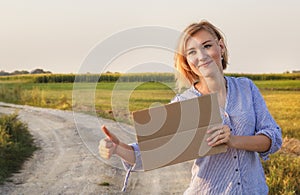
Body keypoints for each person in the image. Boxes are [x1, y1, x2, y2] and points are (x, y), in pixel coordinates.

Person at [98, 20, 282, 194]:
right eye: (191, 52)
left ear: (221, 47)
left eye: (207, 46)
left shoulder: (246, 88)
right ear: (186, 60)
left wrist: (234, 140)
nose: (201, 56)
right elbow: (148, 155)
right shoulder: (185, 103)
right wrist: (117, 147)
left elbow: (273, 137)